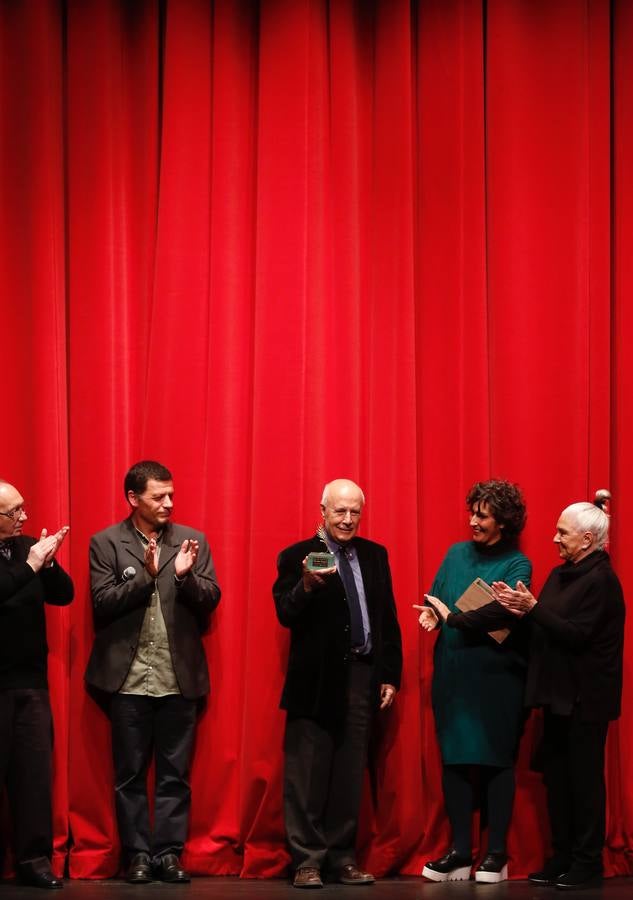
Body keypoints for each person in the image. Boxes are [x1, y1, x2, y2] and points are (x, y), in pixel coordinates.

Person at [85, 461, 220, 884]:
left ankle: (168, 854)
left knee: (175, 775)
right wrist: (148, 575)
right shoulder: (106, 542)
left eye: (171, 495)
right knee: (128, 774)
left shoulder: (192, 540)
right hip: (126, 680)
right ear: (133, 498)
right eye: (158, 496)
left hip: (178, 678)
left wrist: (183, 578)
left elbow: (211, 598)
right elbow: (102, 603)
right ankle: (138, 855)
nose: (168, 503)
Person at [273, 479, 402, 889]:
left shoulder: (375, 555)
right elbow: (285, 613)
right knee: (306, 776)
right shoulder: (297, 556)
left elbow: (386, 618)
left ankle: (343, 858)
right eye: (340, 511)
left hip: (362, 676)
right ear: (323, 512)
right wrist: (306, 586)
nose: (347, 519)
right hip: (315, 679)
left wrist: (389, 674)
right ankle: (307, 861)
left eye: (354, 512)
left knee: (349, 773)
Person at [494, 499, 625, 890]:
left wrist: (533, 608)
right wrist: (518, 610)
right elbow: (546, 625)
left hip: (585, 699)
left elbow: (578, 634)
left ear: (586, 540)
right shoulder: (560, 574)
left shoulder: (602, 580)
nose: (554, 538)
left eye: (562, 533)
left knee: (583, 783)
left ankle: (587, 862)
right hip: (556, 695)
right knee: (557, 779)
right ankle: (563, 856)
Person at [414, 480, 531, 884]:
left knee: (496, 759)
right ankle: (461, 852)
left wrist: (453, 617)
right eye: (473, 513)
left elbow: (501, 613)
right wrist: (432, 614)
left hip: (498, 678)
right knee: (456, 759)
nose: (473, 521)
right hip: (454, 673)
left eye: (482, 515)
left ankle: (496, 853)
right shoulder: (455, 554)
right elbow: (435, 598)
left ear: (504, 521)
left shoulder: (518, 564)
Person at [0, 480, 73, 890]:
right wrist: (30, 566)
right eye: (15, 512)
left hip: (31, 684)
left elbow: (64, 596)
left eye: (23, 508)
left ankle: (34, 859)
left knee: (32, 776)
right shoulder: (25, 558)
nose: (24, 517)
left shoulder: (28, 547)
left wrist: (49, 564)